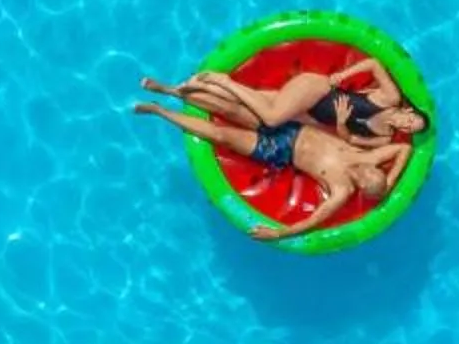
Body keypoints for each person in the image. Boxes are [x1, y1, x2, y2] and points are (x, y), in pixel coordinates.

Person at [133, 98, 414, 241]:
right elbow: (406, 149)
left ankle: (160, 111)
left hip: (280, 151)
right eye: (374, 171)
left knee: (221, 136)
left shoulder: (342, 190)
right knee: (230, 109)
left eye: (368, 177)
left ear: (362, 188)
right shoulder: (372, 155)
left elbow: (316, 220)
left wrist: (279, 234)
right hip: (293, 127)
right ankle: (174, 91)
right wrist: (390, 180)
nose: (367, 170)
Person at [139, 55, 427, 148]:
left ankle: (167, 89)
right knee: (271, 118)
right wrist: (342, 75)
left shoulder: (385, 138)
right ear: (408, 110)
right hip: (316, 91)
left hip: (310, 116)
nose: (407, 124)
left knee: (235, 106)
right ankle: (224, 79)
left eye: (411, 128)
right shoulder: (390, 98)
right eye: (412, 119)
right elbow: (375, 63)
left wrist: (340, 122)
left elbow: (350, 139)